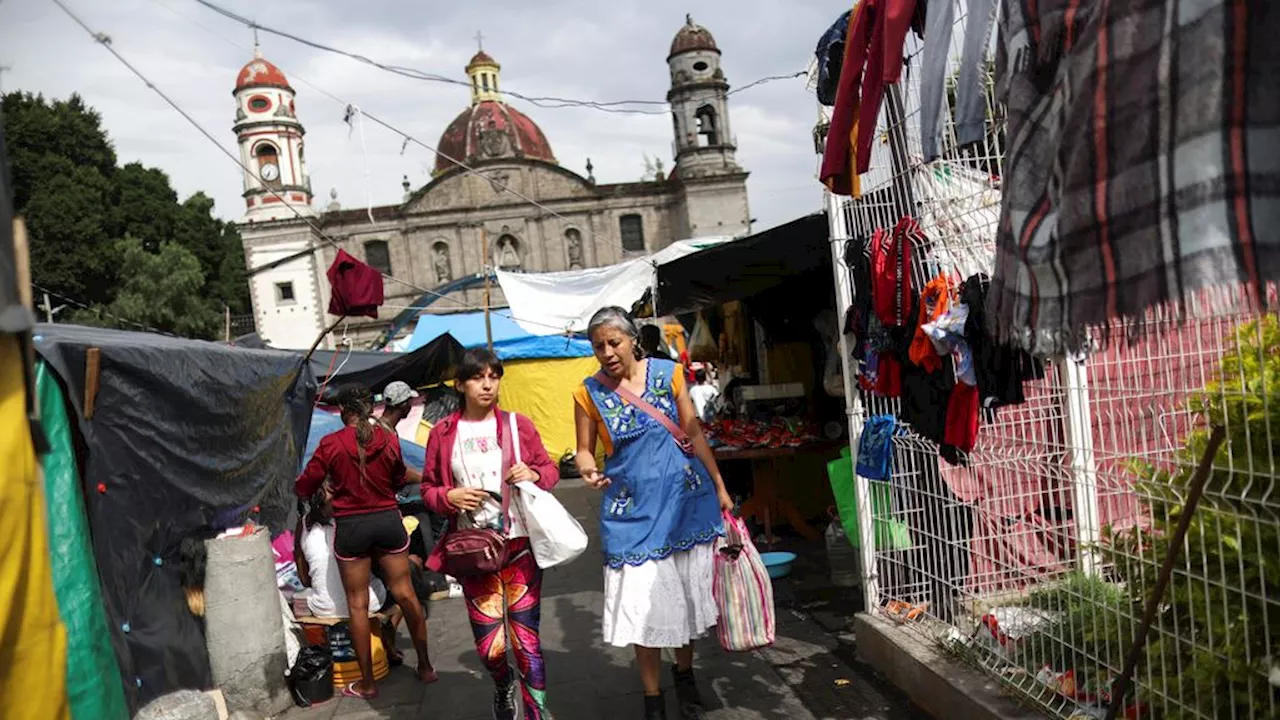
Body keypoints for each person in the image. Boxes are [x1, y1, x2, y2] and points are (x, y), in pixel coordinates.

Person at [573, 307, 734, 720]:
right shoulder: (587, 393)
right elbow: (585, 449)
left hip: (683, 502)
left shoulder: (668, 374)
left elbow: (692, 430)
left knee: (680, 600)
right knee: (643, 609)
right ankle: (652, 700)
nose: (607, 352)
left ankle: (684, 677)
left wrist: (719, 484)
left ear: (631, 340)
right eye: (598, 346)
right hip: (630, 512)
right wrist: (588, 469)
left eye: (614, 342)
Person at [421, 348, 560, 720]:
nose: (487, 384)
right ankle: (502, 683)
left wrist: (533, 475)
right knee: (491, 649)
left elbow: (549, 470)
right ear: (461, 384)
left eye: (493, 376)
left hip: (519, 547)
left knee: (526, 640)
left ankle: (537, 713)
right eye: (477, 377)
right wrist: (449, 496)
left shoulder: (518, 425)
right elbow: (429, 490)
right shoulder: (444, 433)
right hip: (473, 551)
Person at [295, 386, 436, 699]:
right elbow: (399, 477)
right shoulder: (387, 438)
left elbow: (306, 485)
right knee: (405, 593)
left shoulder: (330, 443)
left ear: (344, 410)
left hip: (352, 528)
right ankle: (425, 667)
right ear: (370, 407)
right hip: (388, 522)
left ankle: (368, 684)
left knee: (357, 604)